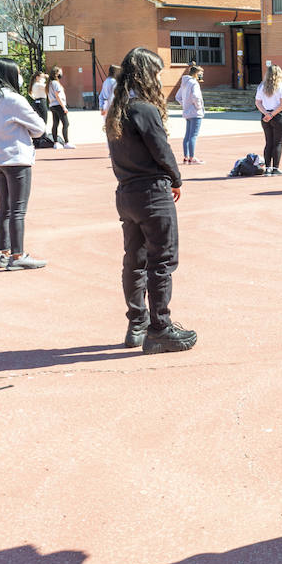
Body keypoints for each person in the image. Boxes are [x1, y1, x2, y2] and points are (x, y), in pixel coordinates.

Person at [105, 47, 197, 354]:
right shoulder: (144, 109)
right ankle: (160, 326)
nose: (160, 78)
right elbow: (162, 151)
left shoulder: (118, 109)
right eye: (157, 73)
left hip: (126, 193)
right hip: (152, 194)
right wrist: (177, 179)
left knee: (135, 260)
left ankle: (138, 324)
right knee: (162, 261)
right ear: (146, 75)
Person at [0, 57, 48, 269]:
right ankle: (18, 256)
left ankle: (4, 253)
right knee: (18, 209)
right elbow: (40, 127)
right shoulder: (14, 99)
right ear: (9, 74)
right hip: (17, 158)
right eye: (17, 72)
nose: (20, 76)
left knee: (5, 208)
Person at [256, 63, 282, 175]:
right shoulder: (281, 86)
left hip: (265, 116)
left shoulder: (262, 86)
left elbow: (258, 103)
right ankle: (275, 168)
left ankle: (267, 168)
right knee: (278, 143)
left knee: (268, 142)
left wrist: (266, 114)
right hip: (279, 116)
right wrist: (272, 114)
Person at [175, 65, 206, 164]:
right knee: (193, 135)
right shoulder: (194, 83)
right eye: (200, 74)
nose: (201, 76)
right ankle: (192, 157)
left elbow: (178, 97)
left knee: (187, 135)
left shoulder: (184, 83)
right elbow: (196, 97)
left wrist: (185, 105)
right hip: (195, 113)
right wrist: (199, 107)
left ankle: (186, 156)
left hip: (187, 112)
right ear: (196, 74)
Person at [47, 67, 75, 148]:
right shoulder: (55, 83)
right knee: (66, 123)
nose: (61, 74)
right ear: (56, 74)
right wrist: (63, 107)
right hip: (58, 105)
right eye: (60, 72)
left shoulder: (50, 83)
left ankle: (56, 143)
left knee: (55, 123)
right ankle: (66, 142)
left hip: (52, 105)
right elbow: (57, 95)